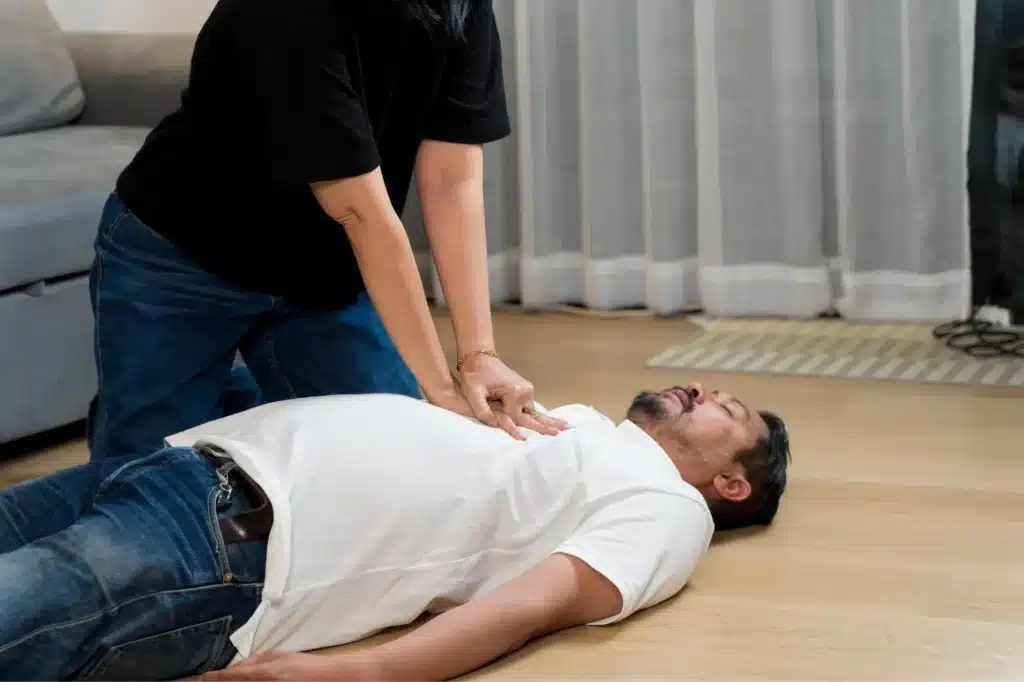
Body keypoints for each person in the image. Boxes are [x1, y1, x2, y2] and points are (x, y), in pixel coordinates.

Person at [0, 382, 790, 681]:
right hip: (181, 465)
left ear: (732, 484)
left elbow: (534, 605)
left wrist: (364, 675)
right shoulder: (583, 427)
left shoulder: (671, 508)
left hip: (233, 543)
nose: (703, 389)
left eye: (727, 409)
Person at [87, 0, 564, 463]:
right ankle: (200, 407)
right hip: (182, 260)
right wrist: (441, 389)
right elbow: (362, 214)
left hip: (325, 274)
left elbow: (450, 179)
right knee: (147, 482)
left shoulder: (459, 6)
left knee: (398, 457)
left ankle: (229, 405)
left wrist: (478, 355)